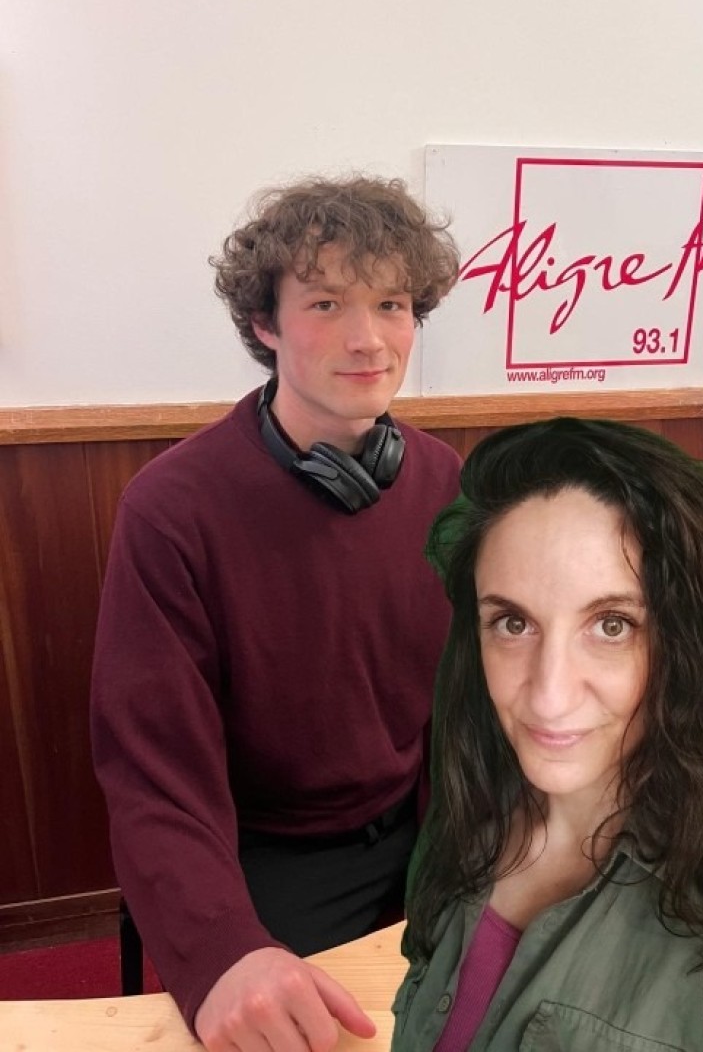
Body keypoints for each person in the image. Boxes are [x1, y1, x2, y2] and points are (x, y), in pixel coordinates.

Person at [90, 175, 462, 1052]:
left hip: (432, 824)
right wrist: (223, 951)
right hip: (266, 856)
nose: (368, 338)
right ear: (265, 322)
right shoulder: (172, 508)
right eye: (326, 303)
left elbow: (477, 699)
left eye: (391, 304)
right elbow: (152, 769)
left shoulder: (448, 482)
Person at [392, 417, 703, 1052]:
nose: (548, 695)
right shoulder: (479, 813)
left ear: (691, 643)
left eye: (613, 625)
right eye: (512, 622)